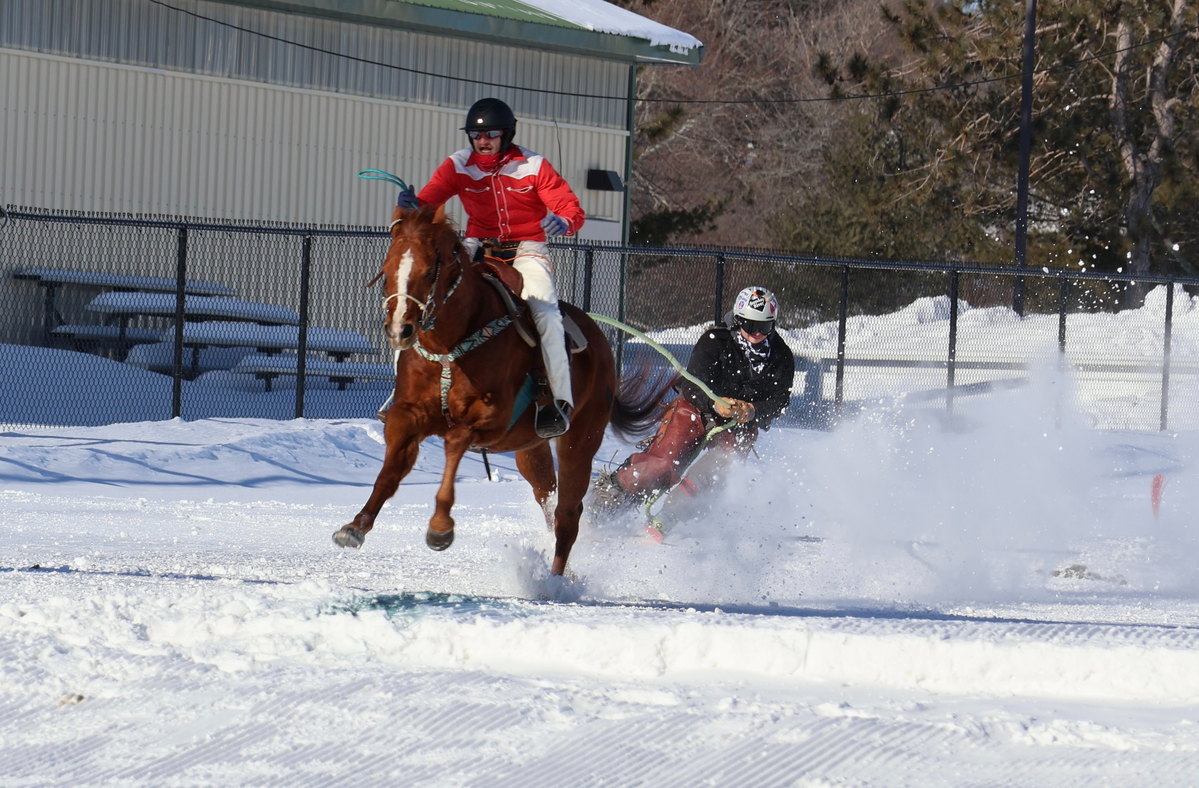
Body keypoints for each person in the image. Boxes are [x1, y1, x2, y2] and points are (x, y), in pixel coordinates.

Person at [393, 97, 586, 438]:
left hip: (526, 249)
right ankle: (401, 395)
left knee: (547, 316)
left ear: (507, 135)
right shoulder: (458, 164)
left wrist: (564, 220)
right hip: (477, 248)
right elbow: (431, 197)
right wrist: (414, 205)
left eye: (491, 135)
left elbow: (569, 207)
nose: (483, 141)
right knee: (419, 303)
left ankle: (557, 401)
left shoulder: (533, 165)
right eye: (476, 135)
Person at [593, 286, 795, 524]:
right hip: (696, 410)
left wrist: (753, 411)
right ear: (737, 320)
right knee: (664, 463)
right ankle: (605, 503)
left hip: (738, 425)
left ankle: (672, 515)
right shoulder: (715, 342)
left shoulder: (781, 357)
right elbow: (694, 384)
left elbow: (779, 401)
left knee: (721, 466)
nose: (756, 334)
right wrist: (715, 404)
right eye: (749, 326)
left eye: (764, 327)